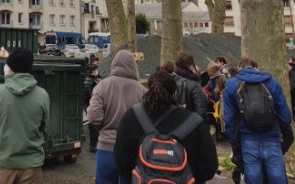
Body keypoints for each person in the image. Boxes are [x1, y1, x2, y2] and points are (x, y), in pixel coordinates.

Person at [114, 71, 218, 183]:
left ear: (148, 90)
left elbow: (120, 159)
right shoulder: (194, 122)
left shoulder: (132, 116)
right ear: (175, 94)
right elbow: (209, 166)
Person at [223, 57, 294, 184]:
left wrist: (235, 146)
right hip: (271, 137)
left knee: (253, 178)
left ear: (240, 68)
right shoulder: (272, 82)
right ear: (257, 67)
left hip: (247, 139)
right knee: (277, 177)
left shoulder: (232, 85)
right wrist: (287, 136)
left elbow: (229, 121)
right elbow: (285, 115)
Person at [0, 48, 49, 184]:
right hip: (31, 165)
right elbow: (44, 127)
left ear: (9, 67)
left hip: (4, 163)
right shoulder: (42, 94)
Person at [87, 50, 146, 184]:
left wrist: (104, 128)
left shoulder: (102, 86)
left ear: (114, 64)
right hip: (132, 151)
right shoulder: (142, 91)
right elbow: (146, 121)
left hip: (106, 148)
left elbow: (94, 117)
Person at [172, 53, 207, 117]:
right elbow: (201, 110)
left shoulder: (170, 79)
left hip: (173, 122)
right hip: (190, 122)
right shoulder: (194, 85)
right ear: (189, 65)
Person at [83, 64, 102, 153]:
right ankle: (93, 146)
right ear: (92, 71)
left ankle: (95, 145)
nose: (97, 71)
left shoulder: (95, 78)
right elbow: (88, 93)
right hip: (92, 105)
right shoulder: (88, 80)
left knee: (96, 128)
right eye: (96, 70)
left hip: (95, 105)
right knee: (93, 127)